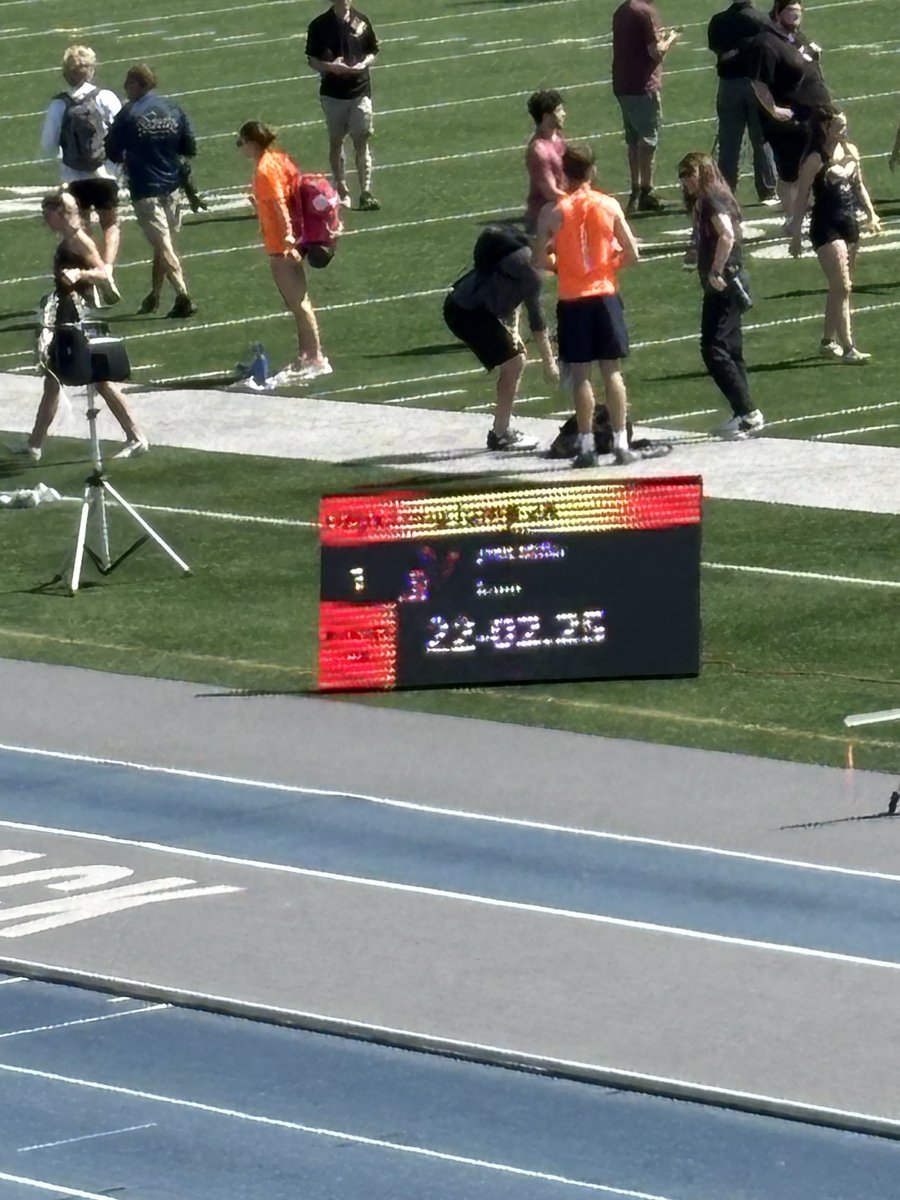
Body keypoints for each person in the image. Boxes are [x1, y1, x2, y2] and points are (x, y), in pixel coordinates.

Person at [12, 191, 147, 463]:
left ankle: (136, 437)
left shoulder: (79, 241)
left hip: (79, 317)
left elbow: (103, 273)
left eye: (48, 214)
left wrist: (80, 274)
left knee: (100, 380)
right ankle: (35, 444)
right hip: (67, 313)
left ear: (60, 214)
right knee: (55, 379)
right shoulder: (69, 239)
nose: (45, 220)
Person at [534, 144, 641, 468]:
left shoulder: (553, 212)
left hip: (572, 299)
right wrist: (609, 265)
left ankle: (587, 445)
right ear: (592, 172)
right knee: (613, 372)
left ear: (564, 174)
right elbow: (633, 253)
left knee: (581, 376)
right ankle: (621, 443)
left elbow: (539, 257)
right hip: (605, 295)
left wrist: (560, 266)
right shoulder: (608, 205)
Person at [444, 224, 557, 451]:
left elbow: (514, 298)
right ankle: (501, 434)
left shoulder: (522, 256)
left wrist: (513, 330)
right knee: (514, 363)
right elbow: (537, 321)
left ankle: (501, 431)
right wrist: (549, 364)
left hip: (466, 304)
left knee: (515, 358)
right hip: (467, 312)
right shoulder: (530, 271)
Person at [678, 152, 764, 439]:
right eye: (681, 175)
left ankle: (748, 412)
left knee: (713, 347)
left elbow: (727, 235)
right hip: (727, 278)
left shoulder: (712, 199)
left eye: (688, 174)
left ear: (701, 172)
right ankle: (743, 412)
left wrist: (715, 270)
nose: (685, 181)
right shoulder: (709, 199)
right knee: (731, 348)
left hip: (725, 281)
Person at [237, 121, 331, 383]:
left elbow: (279, 204)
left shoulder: (265, 170)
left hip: (282, 245)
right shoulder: (279, 159)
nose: (240, 148)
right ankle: (305, 354)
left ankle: (316, 358)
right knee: (297, 302)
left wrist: (288, 237)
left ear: (252, 144)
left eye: (241, 143)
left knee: (299, 303)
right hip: (292, 239)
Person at [105, 63, 197, 318]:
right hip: (173, 185)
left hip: (145, 187)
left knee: (163, 245)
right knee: (163, 244)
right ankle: (155, 296)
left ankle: (183, 295)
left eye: (128, 83)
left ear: (138, 84)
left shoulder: (128, 114)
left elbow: (111, 150)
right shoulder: (173, 109)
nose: (125, 88)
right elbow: (189, 147)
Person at [788, 109, 880, 363]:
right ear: (825, 129)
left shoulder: (850, 151)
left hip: (849, 222)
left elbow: (859, 185)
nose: (843, 131)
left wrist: (871, 214)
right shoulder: (815, 159)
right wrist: (795, 233)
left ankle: (827, 342)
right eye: (838, 127)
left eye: (844, 126)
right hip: (825, 226)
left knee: (840, 288)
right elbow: (802, 196)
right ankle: (849, 347)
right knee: (843, 286)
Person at [40, 44, 122, 303]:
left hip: (72, 177)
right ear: (91, 69)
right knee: (111, 224)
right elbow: (121, 133)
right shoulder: (105, 97)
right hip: (104, 173)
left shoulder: (59, 104)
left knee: (81, 230)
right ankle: (106, 270)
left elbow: (47, 146)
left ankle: (92, 283)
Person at [746, 4, 832, 216]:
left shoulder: (795, 36)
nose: (796, 14)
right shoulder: (766, 43)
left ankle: (813, 211)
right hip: (791, 120)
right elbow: (759, 83)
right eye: (791, 10)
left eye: (799, 10)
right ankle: (793, 216)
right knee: (791, 173)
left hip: (815, 113)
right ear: (777, 13)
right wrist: (774, 110)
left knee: (819, 165)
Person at [306, 0, 380, 211]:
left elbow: (372, 50)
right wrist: (331, 67)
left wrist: (362, 64)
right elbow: (312, 59)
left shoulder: (361, 21)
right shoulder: (319, 25)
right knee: (336, 141)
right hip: (333, 94)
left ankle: (365, 191)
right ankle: (342, 189)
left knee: (362, 139)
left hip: (360, 91)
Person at [611, 0, 680, 213]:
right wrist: (670, 39)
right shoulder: (645, 12)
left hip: (623, 83)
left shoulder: (623, 10)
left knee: (633, 139)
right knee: (648, 139)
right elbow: (655, 51)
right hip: (642, 85)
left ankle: (636, 189)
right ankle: (646, 191)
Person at [706, 2, 777, 204]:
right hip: (757, 84)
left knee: (729, 141)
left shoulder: (718, 21)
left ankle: (726, 189)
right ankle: (768, 189)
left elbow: (717, 49)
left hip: (728, 85)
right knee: (761, 138)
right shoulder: (762, 20)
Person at [524, 90, 567, 236]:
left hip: (561, 212)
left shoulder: (557, 136)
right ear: (546, 116)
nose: (564, 114)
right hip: (543, 221)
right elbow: (550, 192)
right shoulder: (538, 150)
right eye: (559, 110)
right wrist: (582, 201)